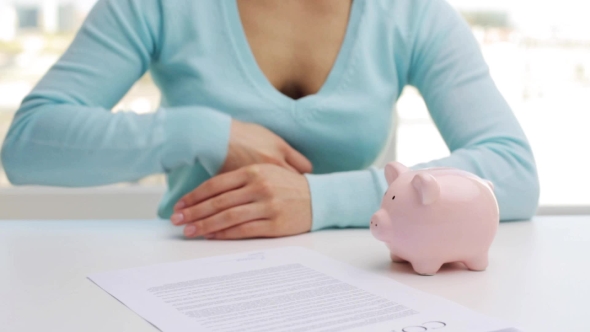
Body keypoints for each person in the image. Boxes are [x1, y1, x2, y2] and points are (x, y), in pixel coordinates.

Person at [0, 0, 539, 240]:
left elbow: (513, 174)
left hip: (356, 278)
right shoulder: (155, 4)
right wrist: (203, 132)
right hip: (184, 271)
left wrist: (320, 201)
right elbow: (28, 145)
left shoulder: (412, 14)